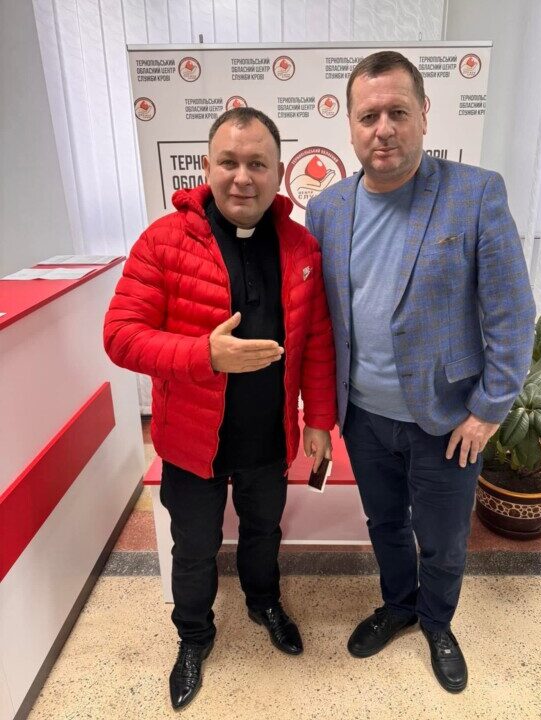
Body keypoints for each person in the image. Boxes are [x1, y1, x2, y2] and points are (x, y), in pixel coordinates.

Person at [306, 51, 536, 693]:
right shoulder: (326, 210)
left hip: (447, 419)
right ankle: (398, 605)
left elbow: (513, 314)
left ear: (425, 115)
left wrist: (488, 411)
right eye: (368, 116)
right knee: (384, 525)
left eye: (398, 112)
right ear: (350, 125)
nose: (383, 129)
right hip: (363, 417)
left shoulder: (475, 193)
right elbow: (321, 323)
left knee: (442, 538)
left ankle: (437, 622)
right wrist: (319, 412)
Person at [104, 107, 336, 710]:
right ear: (207, 167)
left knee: (263, 532)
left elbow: (316, 342)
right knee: (194, 548)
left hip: (268, 438)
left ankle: (264, 604)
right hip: (191, 441)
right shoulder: (163, 241)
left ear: (278, 172)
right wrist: (203, 354)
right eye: (228, 162)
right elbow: (121, 336)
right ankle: (193, 636)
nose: (242, 177)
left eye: (257, 163)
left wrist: (318, 420)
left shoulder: (302, 247)